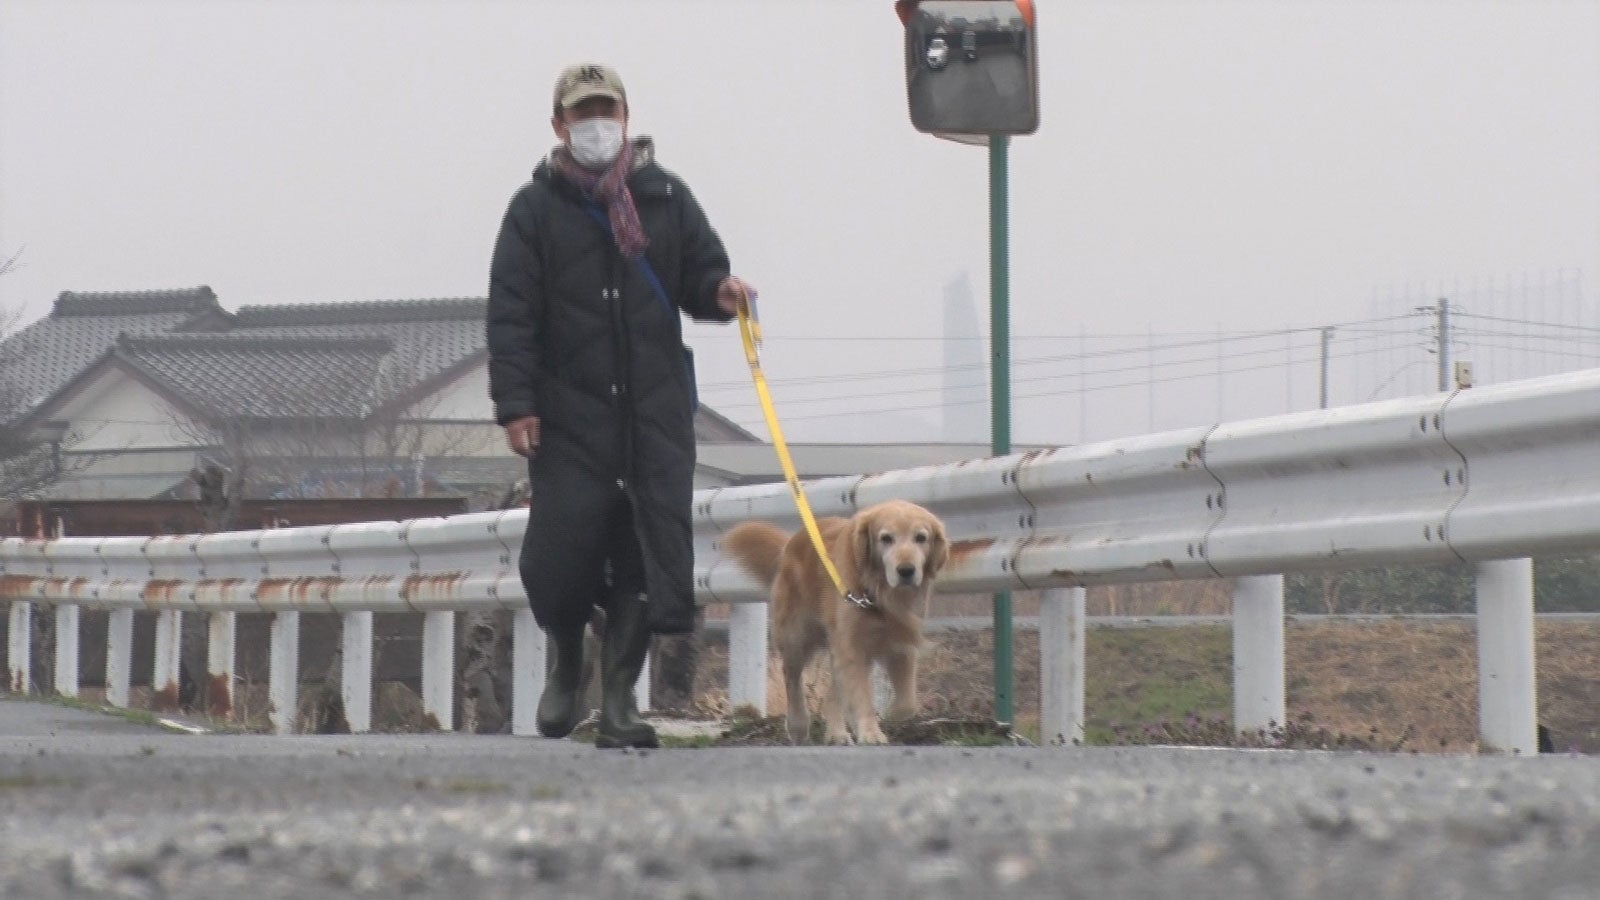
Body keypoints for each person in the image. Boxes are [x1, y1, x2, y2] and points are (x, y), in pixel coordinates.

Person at [486, 63, 754, 748]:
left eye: (605, 110)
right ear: (559, 125)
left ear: (626, 117)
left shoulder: (665, 198)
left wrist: (721, 291)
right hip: (570, 414)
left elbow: (700, 272)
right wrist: (517, 404)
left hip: (653, 411)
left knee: (646, 551)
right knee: (562, 551)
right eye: (582, 114)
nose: (595, 124)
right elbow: (511, 315)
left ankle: (619, 702)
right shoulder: (533, 211)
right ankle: (568, 661)